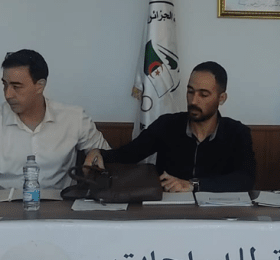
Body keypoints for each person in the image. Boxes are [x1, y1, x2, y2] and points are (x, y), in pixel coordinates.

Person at [85, 62, 255, 193]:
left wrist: (192, 185)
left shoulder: (237, 133)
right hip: (169, 210)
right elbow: (128, 154)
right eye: (190, 91)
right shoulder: (167, 125)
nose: (194, 101)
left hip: (218, 214)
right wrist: (99, 153)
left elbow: (246, 179)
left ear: (222, 98)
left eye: (203, 95)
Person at [0, 49, 109, 190]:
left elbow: (108, 157)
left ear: (40, 86)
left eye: (16, 87)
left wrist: (96, 152)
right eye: (5, 85)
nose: (8, 94)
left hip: (60, 201)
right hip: (5, 201)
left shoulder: (74, 118)